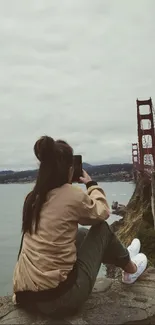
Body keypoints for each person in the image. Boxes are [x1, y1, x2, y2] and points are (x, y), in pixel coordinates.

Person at [13, 136, 147, 316]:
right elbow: (103, 213)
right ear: (70, 169)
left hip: (26, 297)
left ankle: (123, 256)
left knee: (82, 234)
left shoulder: (32, 197)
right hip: (60, 300)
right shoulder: (70, 195)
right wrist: (91, 185)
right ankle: (130, 270)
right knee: (102, 229)